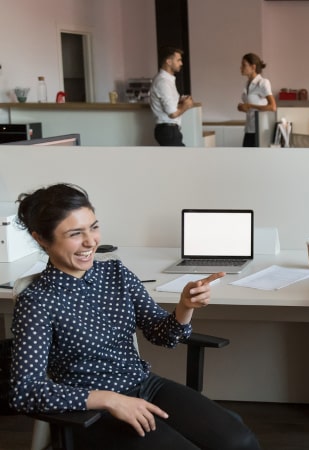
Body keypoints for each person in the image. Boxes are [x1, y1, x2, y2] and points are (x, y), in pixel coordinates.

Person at [9, 183, 261, 450]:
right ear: (41, 239)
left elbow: (162, 335)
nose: (90, 241)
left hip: (144, 385)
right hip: (91, 411)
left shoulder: (116, 274)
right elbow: (25, 392)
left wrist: (184, 306)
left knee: (239, 442)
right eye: (75, 233)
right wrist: (108, 399)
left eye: (94, 227)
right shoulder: (36, 302)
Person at [150, 46, 194, 146]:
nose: (181, 63)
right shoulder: (163, 82)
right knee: (181, 160)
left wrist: (179, 102)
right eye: (178, 60)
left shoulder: (167, 80)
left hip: (169, 130)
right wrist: (186, 106)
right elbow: (172, 113)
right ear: (169, 62)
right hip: (168, 131)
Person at [237, 53, 277, 147]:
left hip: (259, 130)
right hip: (248, 129)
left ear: (253, 67)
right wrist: (243, 108)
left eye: (244, 65)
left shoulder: (263, 83)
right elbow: (252, 107)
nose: (241, 67)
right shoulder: (247, 83)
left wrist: (250, 106)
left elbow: (272, 107)